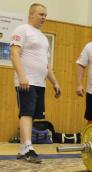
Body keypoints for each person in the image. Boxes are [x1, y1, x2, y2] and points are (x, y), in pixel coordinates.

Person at [10, 3, 61, 163]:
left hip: (40, 83)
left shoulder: (43, 38)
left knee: (33, 115)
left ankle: (23, 148)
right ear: (31, 14)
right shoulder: (22, 30)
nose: (44, 17)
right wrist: (23, 76)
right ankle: (27, 148)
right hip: (27, 81)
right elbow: (14, 54)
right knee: (26, 113)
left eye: (45, 15)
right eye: (41, 14)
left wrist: (55, 83)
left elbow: (47, 65)